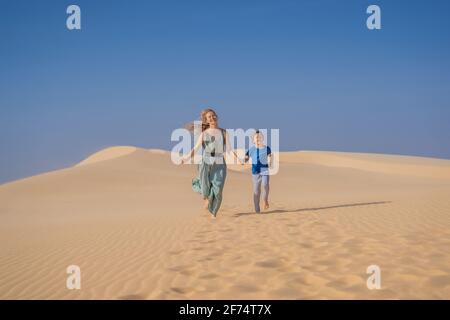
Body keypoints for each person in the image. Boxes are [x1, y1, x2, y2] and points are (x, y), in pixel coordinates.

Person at [182, 108, 240, 218]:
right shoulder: (204, 134)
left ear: (216, 117)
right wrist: (186, 158)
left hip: (219, 163)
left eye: (214, 115)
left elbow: (229, 149)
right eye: (209, 117)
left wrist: (239, 159)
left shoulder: (224, 132)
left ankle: (213, 212)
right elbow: (196, 148)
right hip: (206, 162)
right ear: (206, 120)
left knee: (218, 189)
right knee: (205, 187)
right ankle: (207, 199)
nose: (212, 117)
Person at [243, 130, 272, 213]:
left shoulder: (267, 148)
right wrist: (243, 161)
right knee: (256, 190)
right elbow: (246, 158)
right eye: (256, 137)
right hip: (255, 171)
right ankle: (257, 209)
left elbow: (270, 156)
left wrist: (270, 161)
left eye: (260, 136)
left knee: (265, 184)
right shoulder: (251, 149)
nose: (258, 138)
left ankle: (265, 200)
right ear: (253, 140)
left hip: (264, 169)